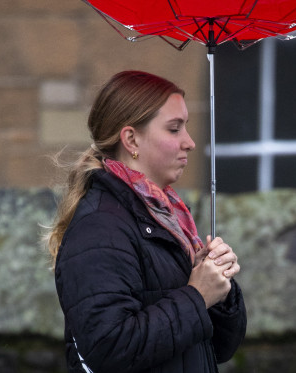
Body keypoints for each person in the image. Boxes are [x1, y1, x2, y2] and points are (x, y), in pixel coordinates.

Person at [45, 70, 246, 373]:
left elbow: (219, 348)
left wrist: (220, 288)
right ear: (131, 138)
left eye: (186, 128)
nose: (190, 142)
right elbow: (109, 348)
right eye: (174, 129)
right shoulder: (100, 227)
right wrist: (197, 295)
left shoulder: (167, 220)